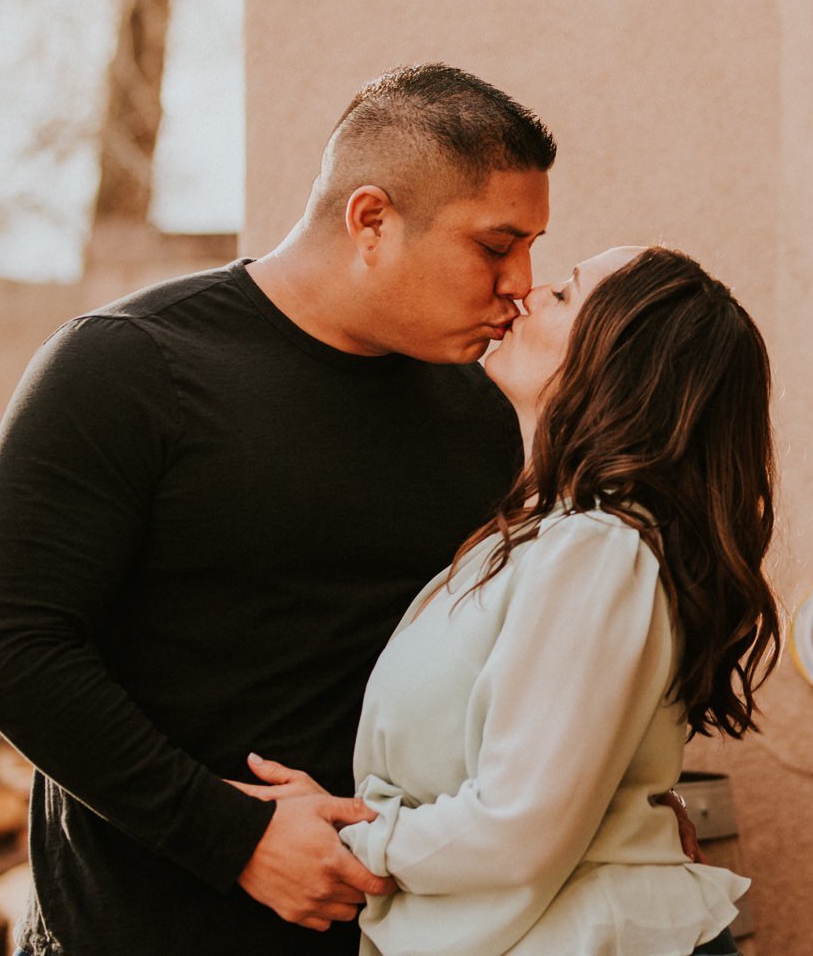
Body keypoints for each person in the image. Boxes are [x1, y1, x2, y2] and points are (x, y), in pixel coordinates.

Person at [0, 64, 557, 954]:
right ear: (372, 221)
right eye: (495, 247)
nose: (521, 282)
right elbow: (11, 653)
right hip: (135, 933)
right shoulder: (127, 367)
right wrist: (234, 839)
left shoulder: (480, 413)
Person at [238, 244, 779, 955]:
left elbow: (517, 827)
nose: (529, 290)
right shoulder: (541, 536)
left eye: (564, 295)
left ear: (619, 367)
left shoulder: (595, 547)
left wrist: (341, 837)